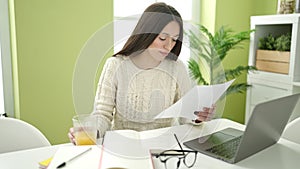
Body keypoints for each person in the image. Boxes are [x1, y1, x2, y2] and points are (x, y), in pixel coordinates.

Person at [68, 2, 215, 144]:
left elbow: (185, 115)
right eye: (162, 38)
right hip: (123, 146)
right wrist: (90, 131)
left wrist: (197, 116)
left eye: (174, 40)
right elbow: (102, 114)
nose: (168, 46)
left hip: (164, 149)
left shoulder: (177, 68)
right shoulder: (116, 65)